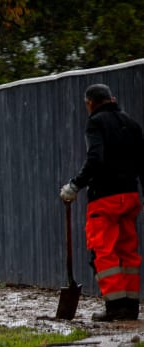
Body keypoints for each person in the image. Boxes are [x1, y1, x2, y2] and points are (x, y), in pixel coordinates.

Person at [60, 83, 144, 321]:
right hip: (130, 197)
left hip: (104, 200)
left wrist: (74, 185)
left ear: (90, 103)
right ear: (112, 98)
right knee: (127, 251)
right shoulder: (132, 124)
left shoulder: (95, 123)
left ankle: (115, 307)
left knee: (103, 252)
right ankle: (130, 306)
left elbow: (95, 158)